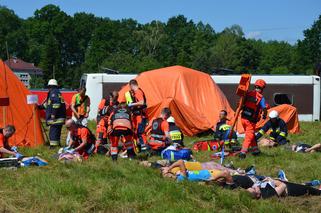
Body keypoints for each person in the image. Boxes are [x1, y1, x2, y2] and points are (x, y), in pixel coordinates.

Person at [239, 79, 268, 159]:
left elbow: (241, 102)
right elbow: (264, 108)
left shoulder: (248, 94)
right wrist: (265, 115)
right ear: (262, 88)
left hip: (243, 118)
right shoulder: (260, 98)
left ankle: (255, 150)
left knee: (251, 135)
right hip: (251, 121)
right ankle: (243, 153)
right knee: (249, 136)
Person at [39, 79, 66, 147]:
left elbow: (56, 104)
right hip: (59, 117)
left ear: (51, 86)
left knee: (53, 133)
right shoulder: (57, 92)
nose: (48, 88)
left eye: (49, 87)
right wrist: (39, 107)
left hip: (56, 118)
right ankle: (57, 145)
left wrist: (53, 114)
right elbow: (49, 105)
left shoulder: (53, 93)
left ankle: (53, 147)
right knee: (56, 132)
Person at [125, 79, 148, 151]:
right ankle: (140, 148)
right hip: (137, 115)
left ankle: (145, 149)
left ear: (131, 85)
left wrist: (132, 104)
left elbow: (142, 102)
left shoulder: (138, 92)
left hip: (140, 115)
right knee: (137, 132)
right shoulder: (137, 92)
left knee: (141, 132)